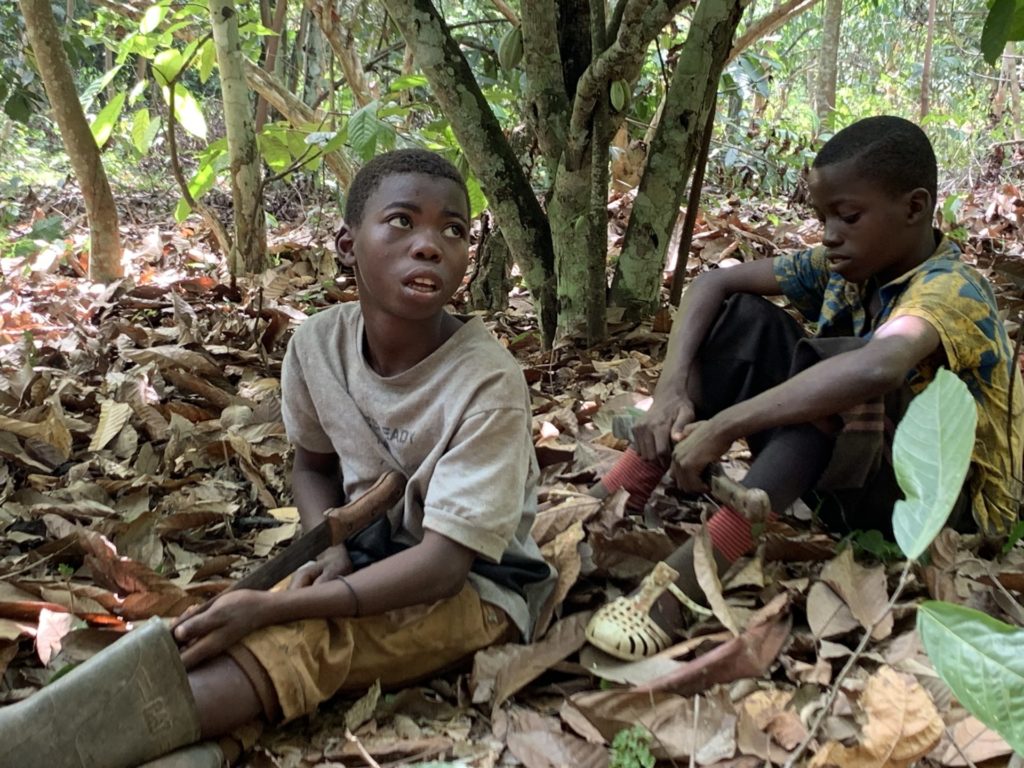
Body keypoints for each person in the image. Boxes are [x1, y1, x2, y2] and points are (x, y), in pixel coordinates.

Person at [0, 149, 555, 767]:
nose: (430, 244)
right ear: (347, 245)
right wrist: (332, 549)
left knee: (301, 640)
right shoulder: (318, 344)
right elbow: (313, 468)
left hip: (477, 590)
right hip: (367, 555)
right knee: (217, 625)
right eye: (403, 220)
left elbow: (444, 566)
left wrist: (279, 603)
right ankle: (191, 743)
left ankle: (44, 747)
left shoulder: (488, 383)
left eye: (453, 230)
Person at [585, 116, 1023, 661]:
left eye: (848, 216)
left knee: (846, 368)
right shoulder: (846, 264)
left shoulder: (952, 288)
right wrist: (671, 389)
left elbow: (878, 368)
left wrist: (727, 424)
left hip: (941, 513)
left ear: (914, 208)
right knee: (739, 319)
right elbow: (712, 282)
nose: (830, 233)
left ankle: (686, 584)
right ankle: (614, 499)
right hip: (855, 476)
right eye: (822, 217)